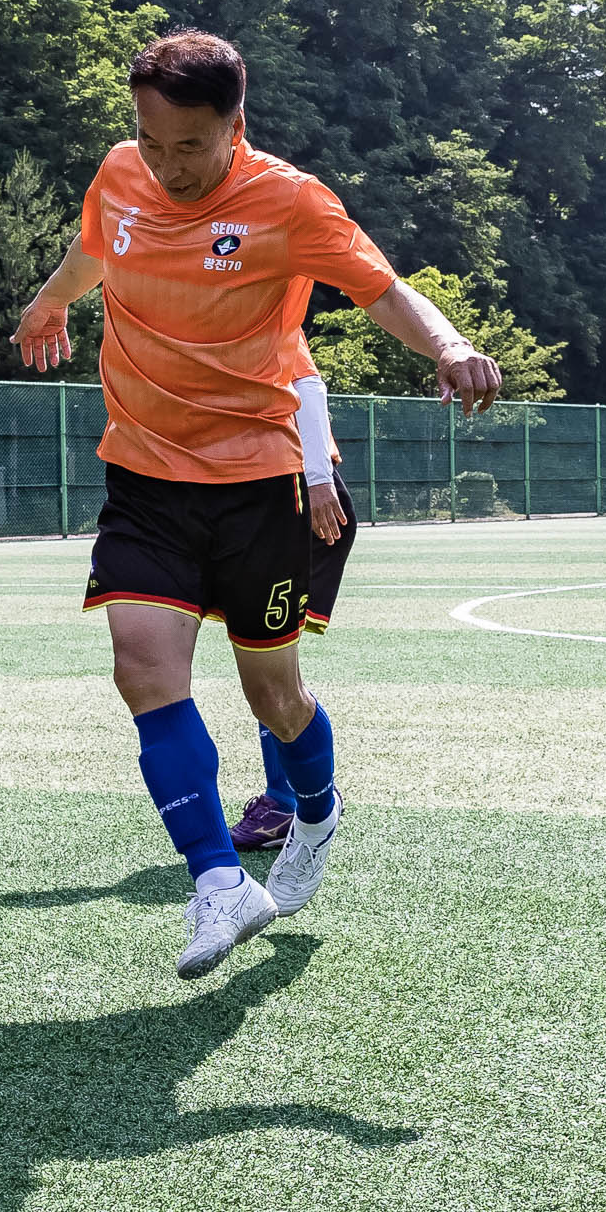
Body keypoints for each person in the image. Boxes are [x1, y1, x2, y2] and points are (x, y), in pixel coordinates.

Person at [12, 29, 500, 979]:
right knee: (142, 668)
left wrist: (447, 346)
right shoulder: (121, 174)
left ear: (237, 125)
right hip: (147, 476)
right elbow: (91, 252)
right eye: (152, 143)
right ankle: (218, 882)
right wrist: (47, 305)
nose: (167, 166)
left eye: (189, 147)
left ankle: (316, 806)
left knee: (272, 697)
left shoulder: (288, 201)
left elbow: (385, 290)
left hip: (258, 482)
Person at [227, 361, 356, 854]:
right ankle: (290, 797)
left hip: (297, 500)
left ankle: (289, 801)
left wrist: (318, 480)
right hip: (260, 500)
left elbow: (308, 388)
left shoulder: (269, 310)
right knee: (265, 665)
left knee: (271, 665)